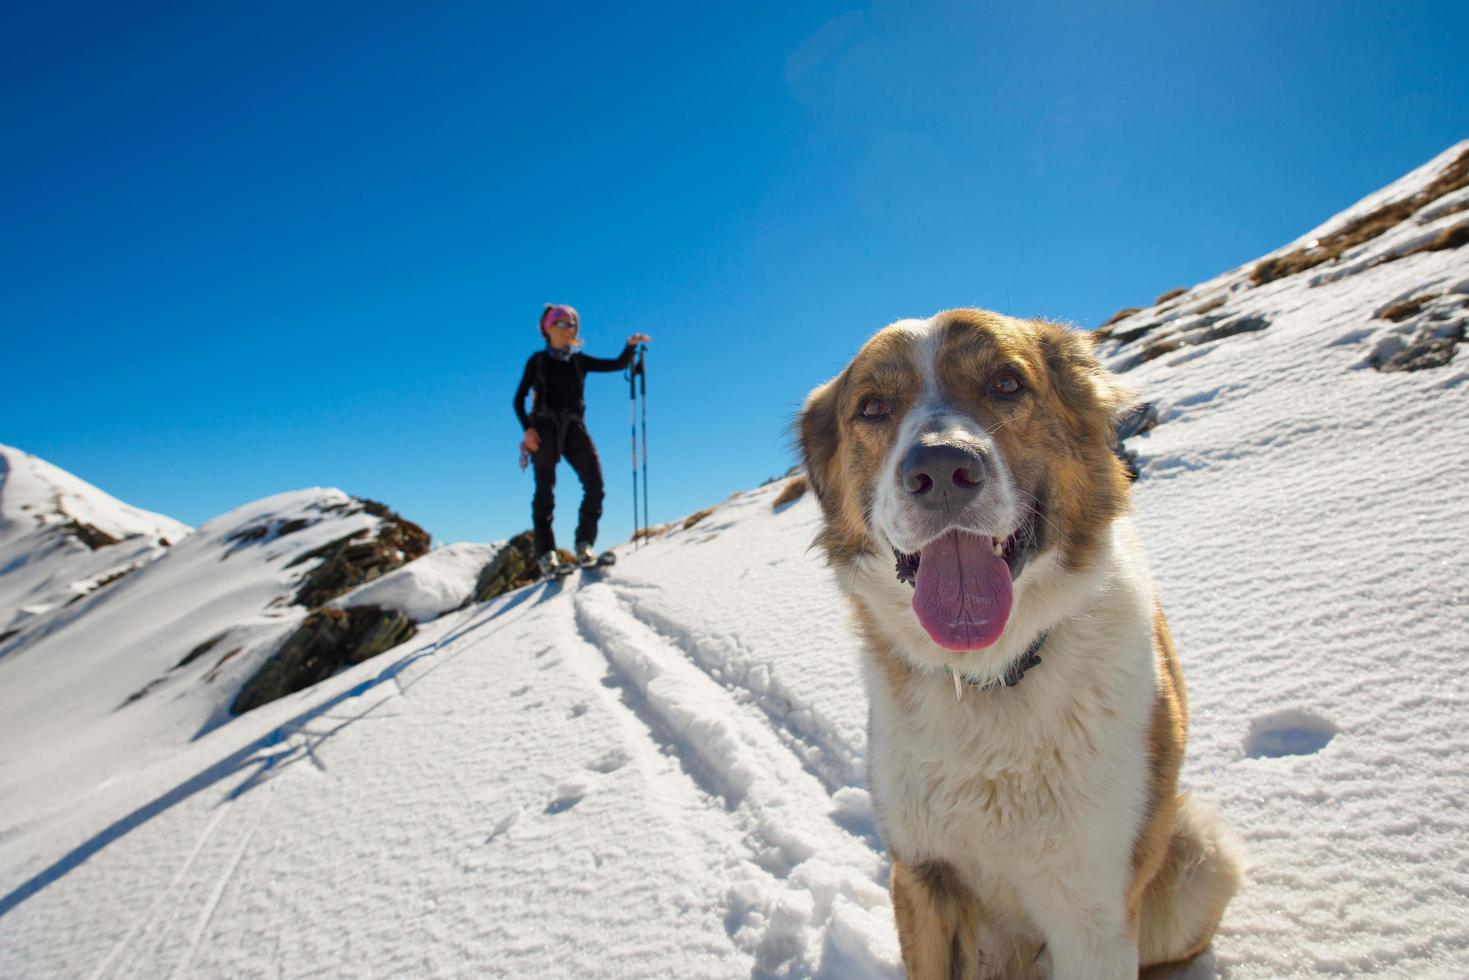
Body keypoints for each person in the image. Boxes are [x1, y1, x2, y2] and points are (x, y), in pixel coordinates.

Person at [513, 303, 651, 578]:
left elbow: (617, 364)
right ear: (547, 327)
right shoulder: (537, 361)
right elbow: (518, 399)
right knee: (544, 494)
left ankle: (584, 544)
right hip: (544, 429)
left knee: (595, 485)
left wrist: (630, 346)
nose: (567, 328)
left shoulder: (579, 361)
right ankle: (547, 556)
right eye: (561, 323)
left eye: (572, 323)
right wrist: (528, 430)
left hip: (574, 427)